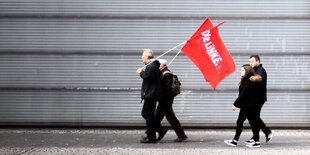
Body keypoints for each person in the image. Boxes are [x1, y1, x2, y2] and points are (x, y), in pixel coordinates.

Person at [224, 64, 263, 148]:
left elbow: (243, 94)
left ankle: (235, 141)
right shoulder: (248, 79)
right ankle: (256, 142)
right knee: (253, 123)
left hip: (248, 106)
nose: (240, 71)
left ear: (247, 71)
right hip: (250, 106)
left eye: (242, 70)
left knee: (241, 122)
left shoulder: (248, 81)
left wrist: (235, 104)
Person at [153, 59, 187, 142]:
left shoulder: (166, 74)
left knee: (170, 117)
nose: (157, 66)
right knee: (156, 117)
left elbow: (167, 88)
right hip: (163, 100)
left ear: (162, 65)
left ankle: (181, 135)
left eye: (158, 65)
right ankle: (150, 134)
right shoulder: (163, 72)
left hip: (166, 100)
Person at [136, 49, 162, 143]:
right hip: (150, 94)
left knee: (149, 116)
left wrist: (141, 72)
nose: (141, 57)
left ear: (147, 57)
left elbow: (149, 78)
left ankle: (152, 137)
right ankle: (159, 131)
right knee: (145, 114)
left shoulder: (152, 66)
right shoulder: (151, 65)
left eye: (142, 55)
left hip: (151, 95)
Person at [247, 55, 274, 144]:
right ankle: (256, 136)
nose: (251, 63)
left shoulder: (261, 71)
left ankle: (267, 132)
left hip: (258, 98)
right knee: (253, 117)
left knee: (254, 116)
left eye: (252, 61)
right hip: (255, 98)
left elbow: (259, 84)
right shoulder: (255, 70)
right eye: (250, 62)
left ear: (258, 61)